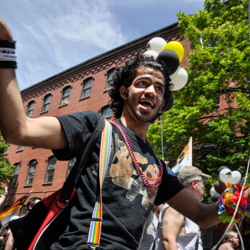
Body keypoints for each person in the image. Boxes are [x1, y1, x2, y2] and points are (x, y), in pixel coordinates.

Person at [0, 17, 224, 250]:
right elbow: (19, 129)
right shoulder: (96, 127)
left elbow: (202, 214)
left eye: (159, 88)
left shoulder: (157, 169)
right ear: (125, 92)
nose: (151, 91)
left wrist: (236, 200)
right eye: (143, 83)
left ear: (162, 103)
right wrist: (5, 46)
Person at [154, 166, 211, 250]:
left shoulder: (185, 207)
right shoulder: (176, 207)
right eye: (203, 183)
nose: (204, 187)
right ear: (194, 183)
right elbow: (168, 240)